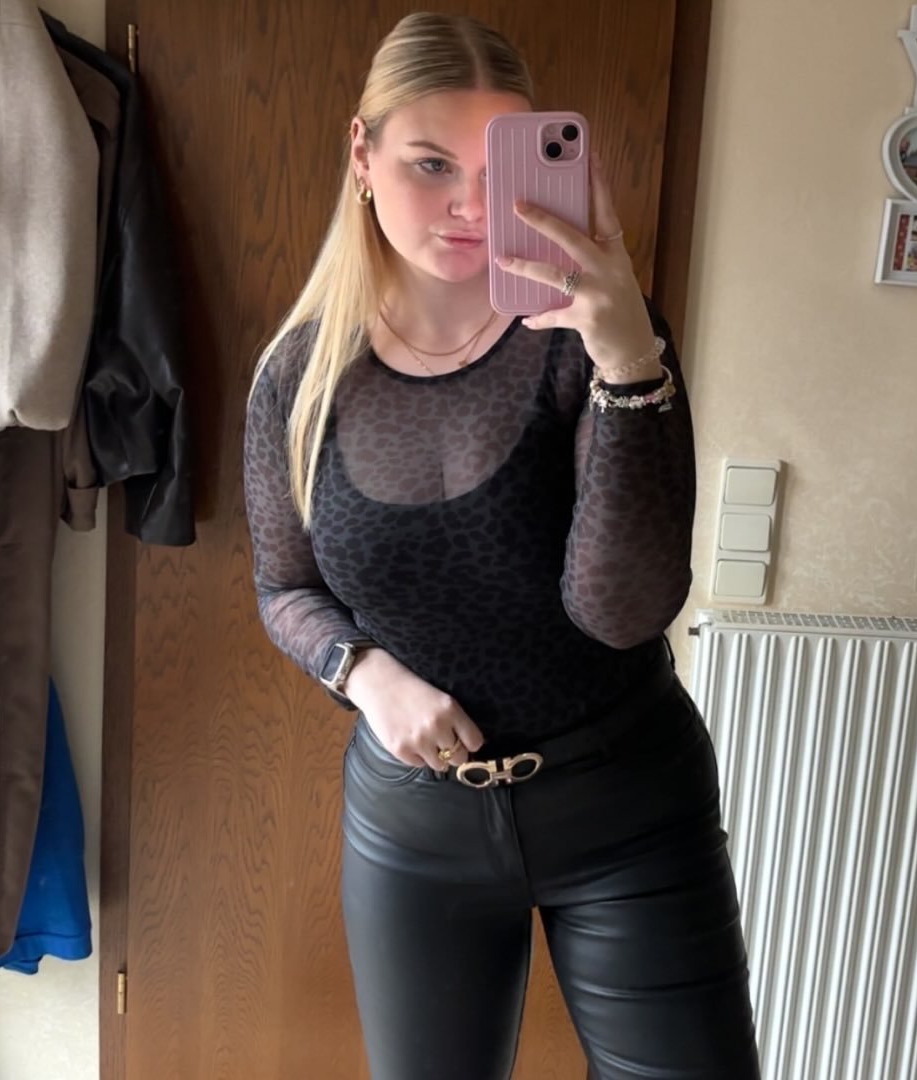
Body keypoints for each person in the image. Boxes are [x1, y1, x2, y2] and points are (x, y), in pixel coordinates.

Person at [243, 12, 761, 1080]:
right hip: (415, 830)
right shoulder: (298, 377)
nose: (472, 207)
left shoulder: (598, 343)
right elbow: (283, 585)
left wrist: (629, 364)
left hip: (627, 807)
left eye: (498, 168)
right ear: (362, 155)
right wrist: (365, 673)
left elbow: (620, 612)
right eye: (431, 164)